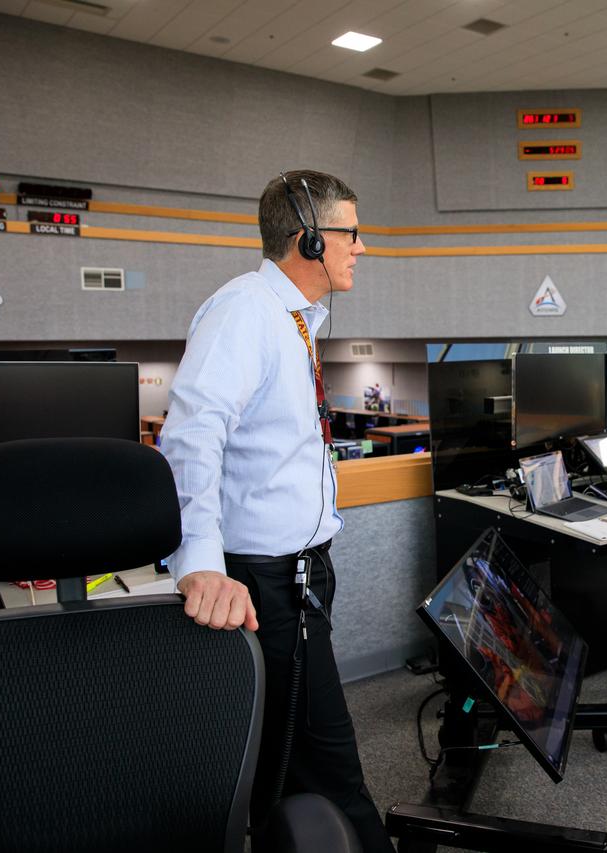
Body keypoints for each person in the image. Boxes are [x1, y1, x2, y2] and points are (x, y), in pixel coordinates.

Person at [161, 169, 392, 851]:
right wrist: (199, 564)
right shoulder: (245, 312)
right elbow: (191, 436)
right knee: (333, 774)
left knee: (282, 767)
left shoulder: (294, 318)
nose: (362, 246)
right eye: (351, 232)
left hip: (299, 576)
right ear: (310, 238)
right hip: (264, 583)